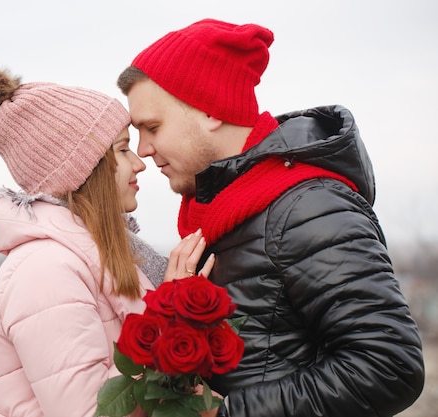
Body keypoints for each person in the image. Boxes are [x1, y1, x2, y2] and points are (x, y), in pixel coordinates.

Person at [116, 18, 425, 417]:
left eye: (153, 127)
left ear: (211, 109)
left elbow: (390, 366)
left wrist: (228, 413)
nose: (143, 149)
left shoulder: (306, 207)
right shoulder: (225, 212)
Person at [0, 63, 216, 417]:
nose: (139, 163)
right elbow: (90, 412)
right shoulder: (45, 270)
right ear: (85, 168)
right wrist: (170, 314)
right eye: (123, 150)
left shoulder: (101, 254)